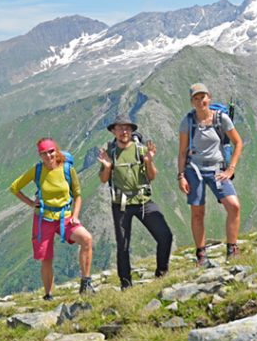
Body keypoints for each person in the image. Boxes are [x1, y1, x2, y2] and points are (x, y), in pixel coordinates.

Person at [9, 138, 95, 299]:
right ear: (40, 155)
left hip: (66, 217)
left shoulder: (68, 170)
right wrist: (30, 203)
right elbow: (15, 187)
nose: (48, 156)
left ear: (56, 151)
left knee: (86, 239)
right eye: (44, 153)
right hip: (44, 219)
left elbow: (77, 195)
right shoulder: (37, 170)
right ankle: (48, 295)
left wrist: (75, 216)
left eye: (51, 151)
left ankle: (86, 282)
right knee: (46, 258)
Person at [97, 114, 173, 290]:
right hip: (121, 204)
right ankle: (126, 284)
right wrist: (107, 167)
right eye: (120, 128)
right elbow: (103, 179)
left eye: (127, 128)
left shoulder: (141, 150)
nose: (124, 131)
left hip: (143, 201)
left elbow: (152, 176)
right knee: (123, 245)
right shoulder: (110, 152)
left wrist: (149, 161)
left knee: (165, 236)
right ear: (114, 131)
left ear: (131, 131)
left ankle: (162, 273)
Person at [177, 83, 243, 265]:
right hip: (194, 170)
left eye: (203, 97)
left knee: (234, 206)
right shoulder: (188, 122)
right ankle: (201, 255)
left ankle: (232, 249)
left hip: (217, 170)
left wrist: (230, 169)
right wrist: (181, 175)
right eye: (196, 99)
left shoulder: (221, 119)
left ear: (209, 97)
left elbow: (238, 143)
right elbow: (182, 152)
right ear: (192, 102)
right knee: (198, 212)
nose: (200, 101)